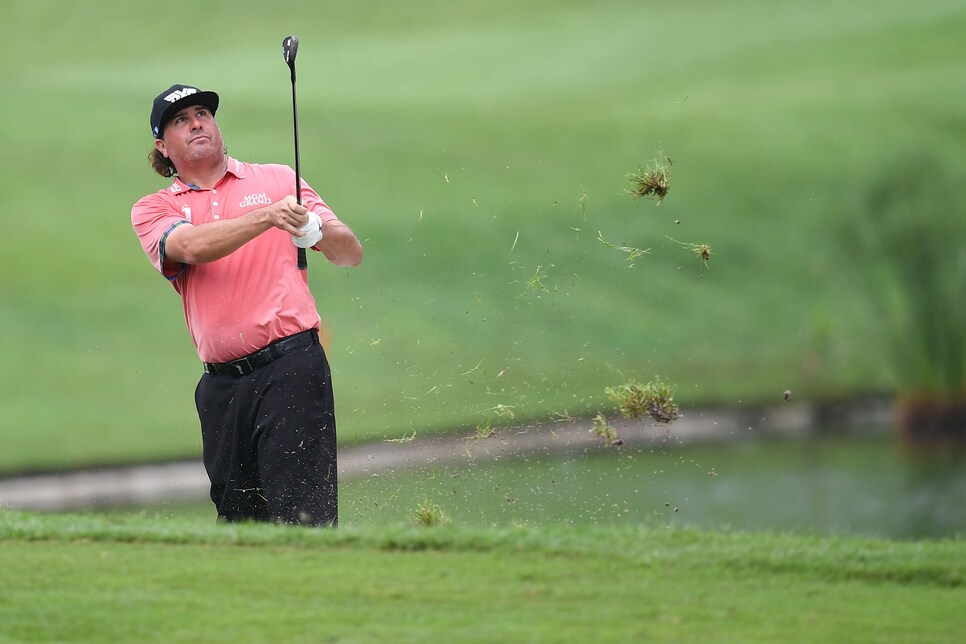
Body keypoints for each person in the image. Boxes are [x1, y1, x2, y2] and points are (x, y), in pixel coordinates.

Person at [131, 84, 362, 526]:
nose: (197, 122)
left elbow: (349, 253)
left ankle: (315, 591)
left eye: (203, 113)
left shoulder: (277, 179)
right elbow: (190, 246)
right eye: (181, 119)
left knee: (303, 520)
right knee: (241, 528)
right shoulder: (154, 208)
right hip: (222, 389)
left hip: (291, 368)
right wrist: (268, 216)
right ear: (162, 145)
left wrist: (314, 229)